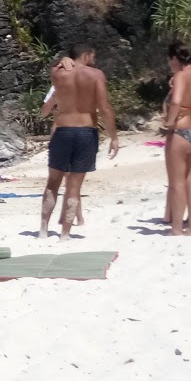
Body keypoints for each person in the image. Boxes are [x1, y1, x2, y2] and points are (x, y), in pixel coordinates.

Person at [38, 44, 119, 239]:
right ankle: (65, 233)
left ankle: (43, 229)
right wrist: (114, 136)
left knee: (53, 183)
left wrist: (63, 61)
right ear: (86, 54)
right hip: (85, 131)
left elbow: (55, 68)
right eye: (93, 55)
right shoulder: (96, 75)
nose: (95, 59)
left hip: (62, 130)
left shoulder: (57, 73)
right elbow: (104, 108)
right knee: (74, 186)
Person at [161, 42, 191, 236]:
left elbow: (176, 100)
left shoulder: (181, 76)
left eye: (169, 60)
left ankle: (176, 228)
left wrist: (169, 121)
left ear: (175, 58)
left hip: (181, 133)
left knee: (177, 183)